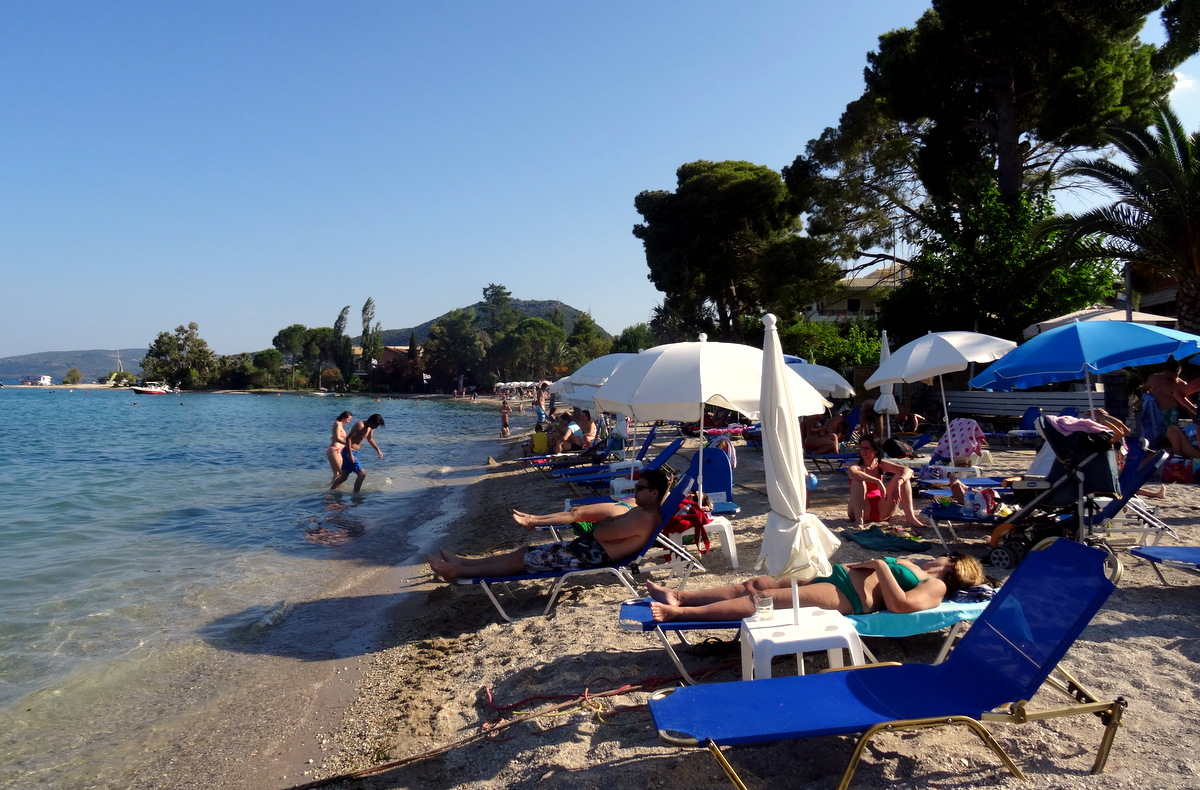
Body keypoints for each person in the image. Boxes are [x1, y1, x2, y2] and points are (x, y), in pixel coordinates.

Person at [428, 469, 671, 581]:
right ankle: (464, 563)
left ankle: (457, 572)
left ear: (654, 493)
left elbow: (602, 531)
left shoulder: (644, 517)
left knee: (520, 561)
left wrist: (608, 522)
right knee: (524, 552)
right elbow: (606, 530)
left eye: (640, 488)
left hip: (590, 557)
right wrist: (609, 523)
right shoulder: (643, 510)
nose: (635, 491)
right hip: (586, 550)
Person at [645, 552, 988, 622]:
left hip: (848, 596)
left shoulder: (936, 587)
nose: (937, 557)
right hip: (833, 574)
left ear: (954, 566)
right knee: (757, 582)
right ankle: (682, 595)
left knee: (763, 600)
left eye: (945, 557)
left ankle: (679, 614)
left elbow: (900, 605)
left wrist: (882, 566)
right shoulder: (922, 562)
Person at [847, 434, 926, 528]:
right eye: (861, 448)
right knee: (858, 480)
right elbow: (853, 472)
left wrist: (898, 483)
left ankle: (910, 518)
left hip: (881, 509)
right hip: (861, 509)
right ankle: (859, 522)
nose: (863, 451)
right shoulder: (856, 465)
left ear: (875, 450)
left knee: (903, 477)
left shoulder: (881, 464)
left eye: (867, 448)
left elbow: (908, 470)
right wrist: (877, 481)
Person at [1141, 359, 1196, 447]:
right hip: (1153, 412)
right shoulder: (1154, 379)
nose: (1172, 377)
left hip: (1171, 414)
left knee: (1168, 439)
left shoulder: (1182, 385)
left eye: (1175, 375)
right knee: (1151, 438)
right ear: (1165, 371)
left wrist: (1195, 420)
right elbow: (1144, 390)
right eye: (1170, 375)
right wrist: (1148, 399)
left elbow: (1187, 404)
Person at [331, 414, 385, 493]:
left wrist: (378, 450)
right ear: (371, 421)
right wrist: (350, 454)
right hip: (349, 451)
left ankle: (331, 491)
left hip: (354, 452)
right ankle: (356, 494)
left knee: (344, 477)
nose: (375, 427)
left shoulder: (370, 427)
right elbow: (348, 439)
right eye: (375, 425)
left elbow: (370, 438)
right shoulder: (360, 425)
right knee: (362, 474)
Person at [325, 411, 353, 485]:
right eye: (348, 419)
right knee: (341, 473)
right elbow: (337, 438)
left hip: (334, 450)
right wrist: (348, 444)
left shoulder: (338, 424)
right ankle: (333, 490)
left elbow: (336, 436)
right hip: (334, 450)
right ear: (344, 418)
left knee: (337, 474)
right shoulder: (338, 424)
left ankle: (330, 492)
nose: (349, 422)